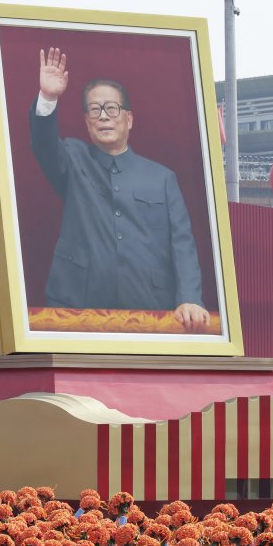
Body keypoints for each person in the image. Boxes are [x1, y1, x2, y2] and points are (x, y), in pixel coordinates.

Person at [29, 47, 210, 332]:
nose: (103, 116)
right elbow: (43, 145)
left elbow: (182, 245)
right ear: (87, 121)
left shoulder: (162, 178)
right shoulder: (73, 159)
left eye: (112, 109)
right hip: (76, 309)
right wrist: (48, 98)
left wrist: (189, 298)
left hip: (150, 310)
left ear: (129, 119)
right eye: (94, 110)